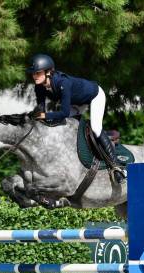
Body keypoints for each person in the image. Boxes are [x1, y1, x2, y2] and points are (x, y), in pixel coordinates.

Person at [27, 54, 126, 183]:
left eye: (38, 73)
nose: (34, 76)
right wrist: (35, 116)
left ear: (48, 72)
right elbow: (41, 109)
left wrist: (45, 116)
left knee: (96, 128)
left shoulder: (63, 82)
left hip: (94, 95)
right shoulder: (39, 86)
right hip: (76, 102)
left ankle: (116, 167)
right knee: (60, 126)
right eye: (33, 73)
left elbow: (64, 112)